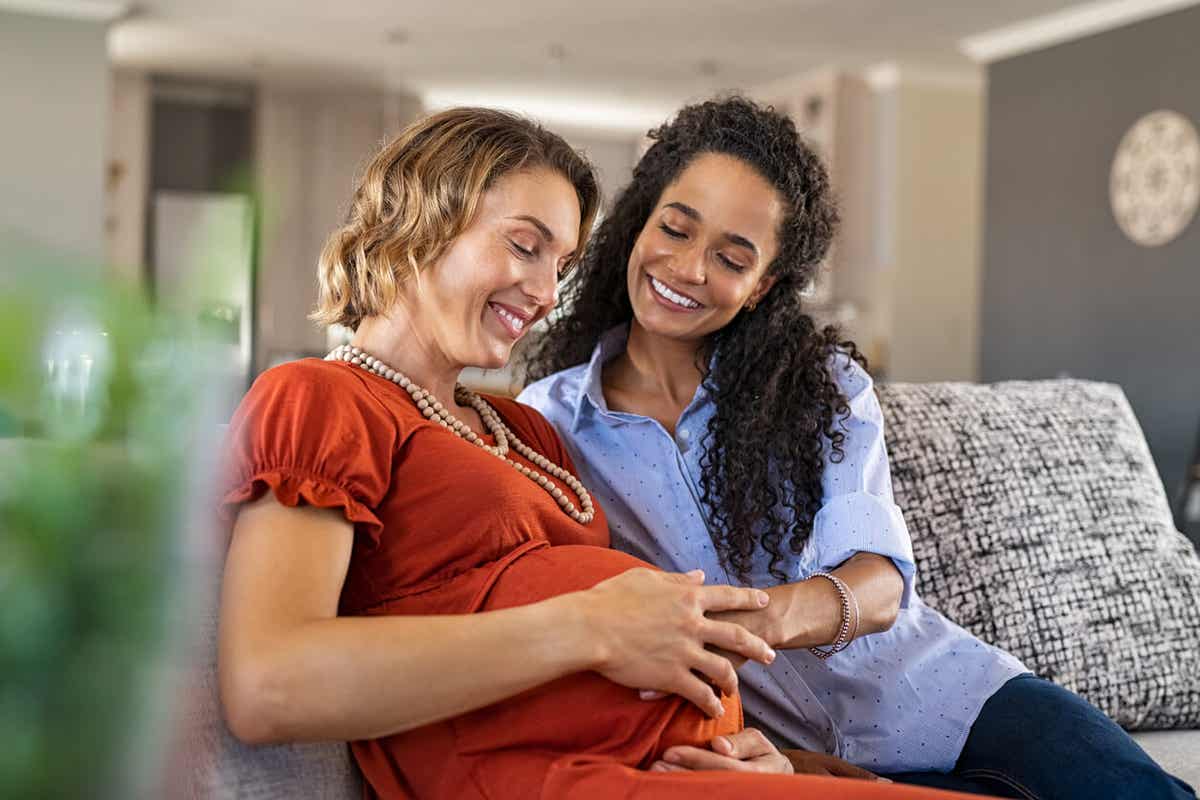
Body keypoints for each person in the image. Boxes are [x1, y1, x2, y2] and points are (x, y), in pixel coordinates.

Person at [216, 106, 976, 799]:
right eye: (525, 246)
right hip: (556, 780)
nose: (548, 292)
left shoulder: (526, 430)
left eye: (564, 266)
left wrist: (772, 752)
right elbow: (267, 686)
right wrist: (586, 627)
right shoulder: (318, 397)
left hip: (698, 763)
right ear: (422, 218)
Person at [519, 95, 1196, 800]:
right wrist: (782, 751)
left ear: (762, 288)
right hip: (770, 752)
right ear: (640, 224)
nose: (689, 268)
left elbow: (878, 584)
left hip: (954, 698)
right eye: (676, 229)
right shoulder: (551, 425)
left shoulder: (823, 389)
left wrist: (759, 618)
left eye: (732, 256)